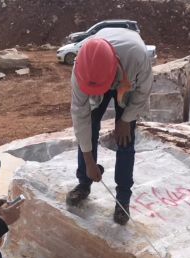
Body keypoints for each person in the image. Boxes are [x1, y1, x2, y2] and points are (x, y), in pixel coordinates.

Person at [66, 29, 154, 225]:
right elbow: (80, 116)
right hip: (103, 76)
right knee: (90, 126)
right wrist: (89, 162)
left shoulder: (137, 57)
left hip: (126, 79)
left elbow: (143, 91)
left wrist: (126, 120)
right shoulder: (82, 69)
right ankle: (84, 183)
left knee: (125, 139)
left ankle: (123, 199)